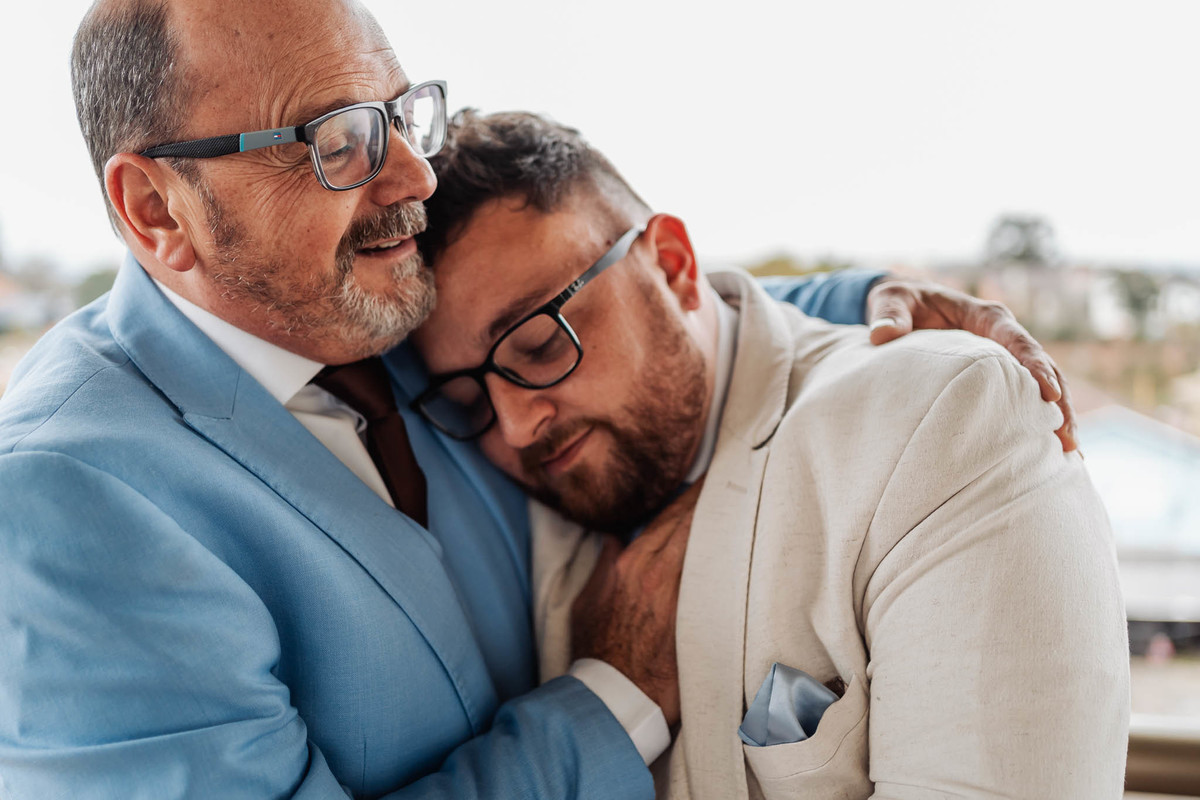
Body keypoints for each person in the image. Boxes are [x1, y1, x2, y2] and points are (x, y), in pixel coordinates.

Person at [0, 1, 1077, 797]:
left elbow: (591, 297)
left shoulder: (378, 319)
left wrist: (874, 303)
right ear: (155, 209)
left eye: (400, 117)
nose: (410, 181)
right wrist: (615, 696)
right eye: (335, 143)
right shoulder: (60, 506)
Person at [408, 110, 1132, 798]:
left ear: (674, 263)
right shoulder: (510, 498)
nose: (515, 425)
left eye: (539, 345)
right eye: (469, 401)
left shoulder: (943, 421)